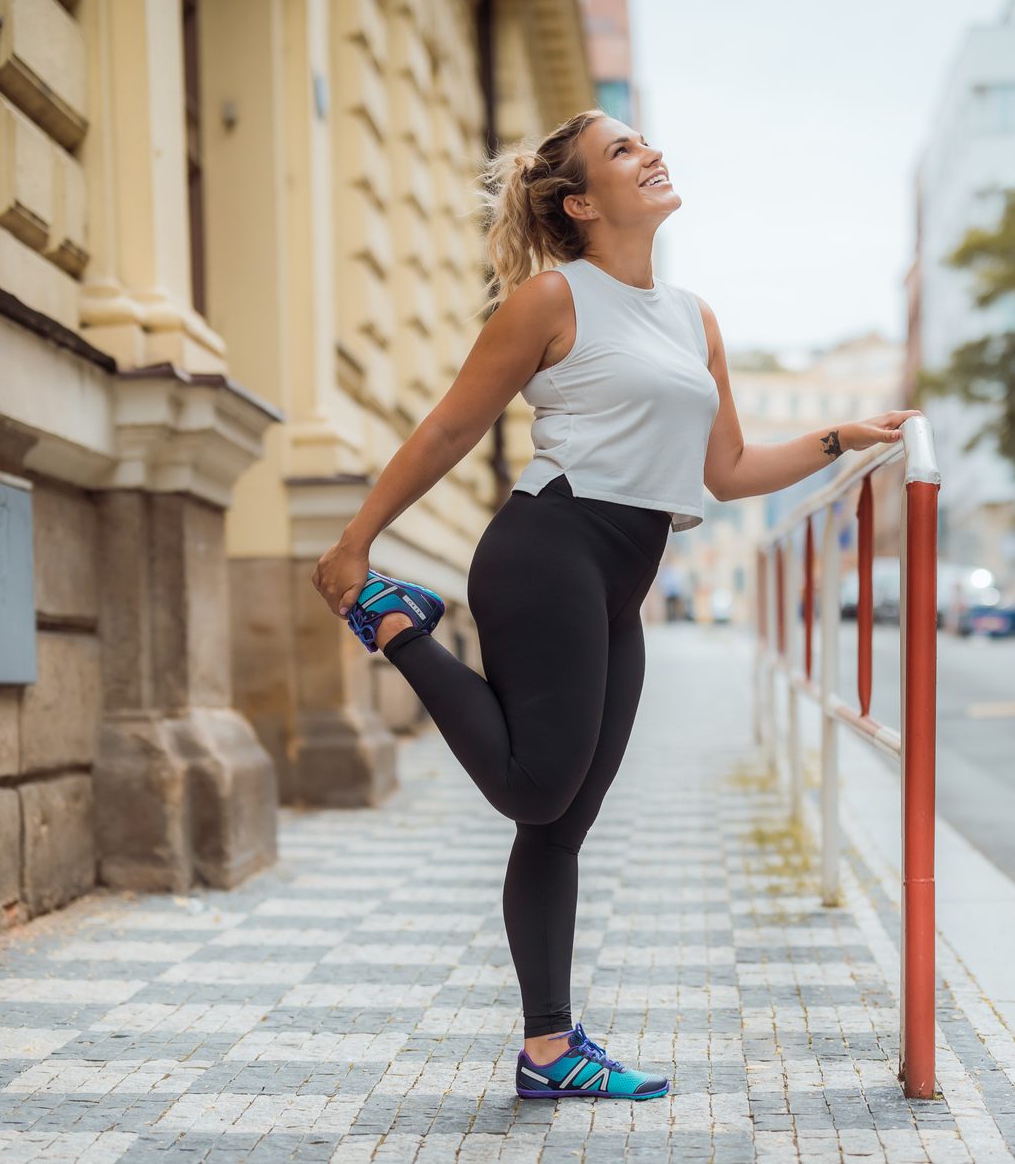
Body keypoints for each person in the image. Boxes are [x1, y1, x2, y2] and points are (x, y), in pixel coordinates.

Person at [311, 109, 921, 1100]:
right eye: (624, 151)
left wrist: (839, 438)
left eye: (649, 142)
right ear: (583, 203)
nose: (652, 153)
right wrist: (355, 541)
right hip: (547, 548)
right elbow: (451, 426)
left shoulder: (693, 317)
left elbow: (724, 470)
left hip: (620, 577)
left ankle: (549, 1053)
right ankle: (396, 625)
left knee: (561, 823)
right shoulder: (553, 299)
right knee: (532, 789)